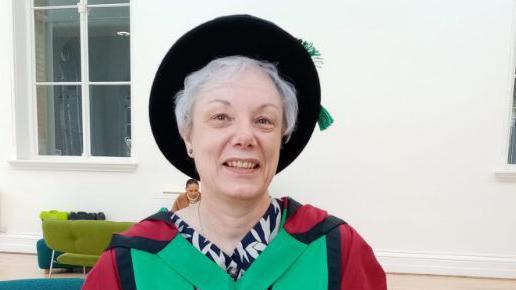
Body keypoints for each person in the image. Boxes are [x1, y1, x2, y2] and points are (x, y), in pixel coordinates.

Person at [82, 15, 386, 290]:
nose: (244, 137)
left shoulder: (337, 250)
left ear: (282, 137)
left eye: (264, 120)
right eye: (220, 117)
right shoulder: (128, 263)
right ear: (188, 136)